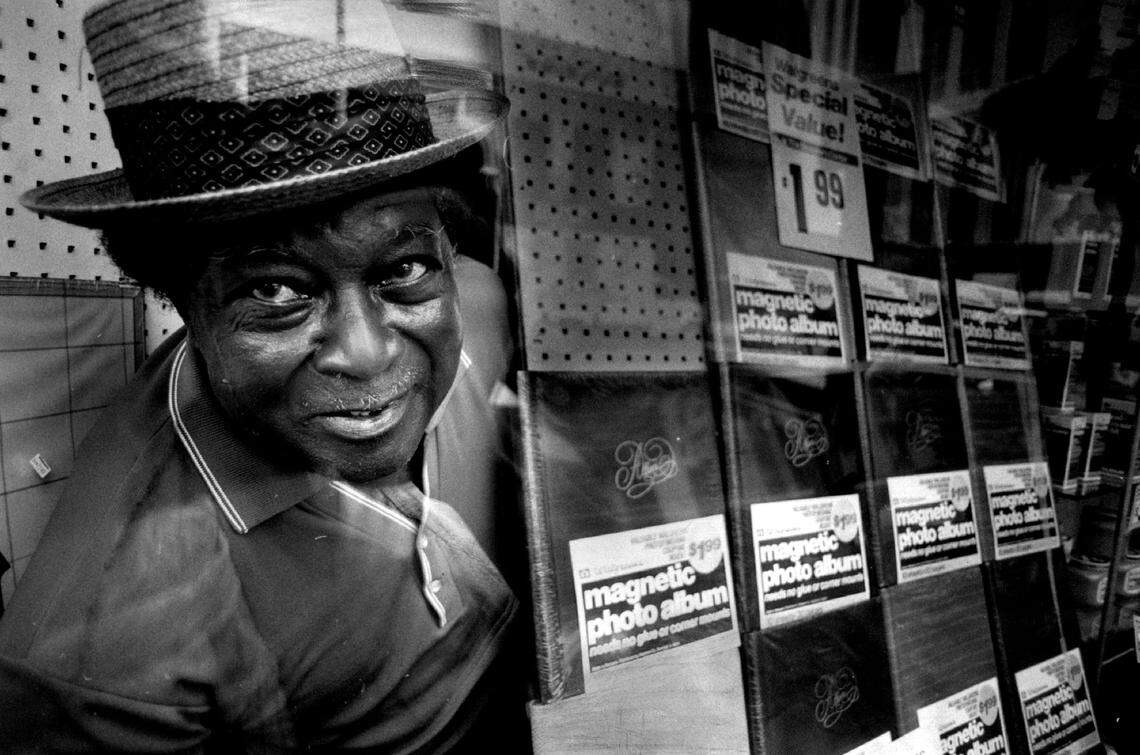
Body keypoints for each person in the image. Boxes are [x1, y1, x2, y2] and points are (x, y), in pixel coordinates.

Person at [0, 0, 529, 751]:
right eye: (277, 290)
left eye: (404, 268)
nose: (369, 353)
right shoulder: (108, 648)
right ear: (182, 298)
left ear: (446, 252)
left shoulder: (476, 304)